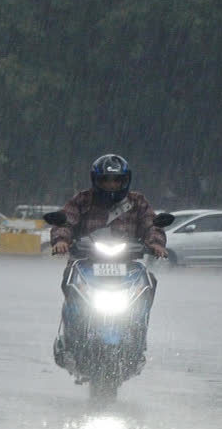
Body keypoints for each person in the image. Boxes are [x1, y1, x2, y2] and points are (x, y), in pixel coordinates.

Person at [50, 153, 168, 369]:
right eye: (105, 180)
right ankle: (70, 338)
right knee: (68, 280)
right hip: (86, 263)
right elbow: (65, 221)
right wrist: (61, 240)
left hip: (128, 267)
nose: (111, 185)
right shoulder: (82, 200)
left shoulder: (138, 202)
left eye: (116, 180)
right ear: (96, 180)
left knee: (150, 282)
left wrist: (156, 243)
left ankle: (138, 339)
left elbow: (152, 225)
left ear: (125, 181)